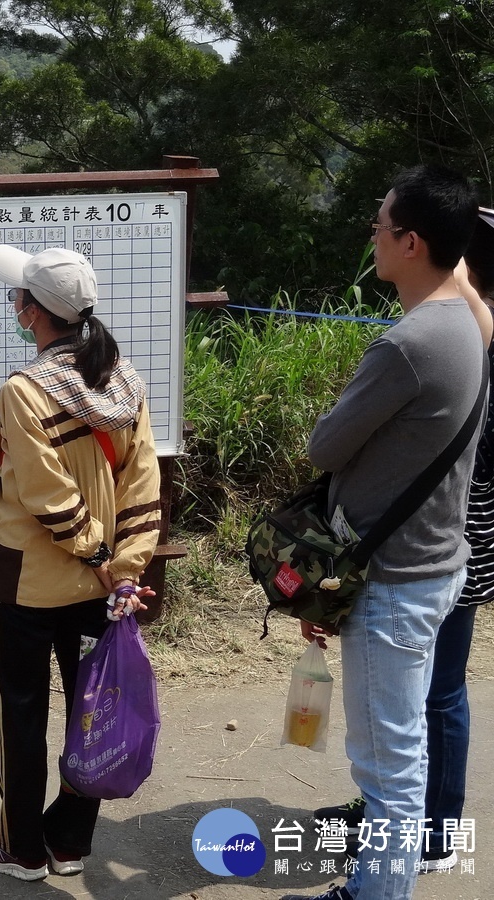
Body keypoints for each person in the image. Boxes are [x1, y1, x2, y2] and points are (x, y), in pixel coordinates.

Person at [282, 165, 485, 900]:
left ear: (409, 242)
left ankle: (375, 894)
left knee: (388, 766)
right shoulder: (465, 321)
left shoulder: (408, 344)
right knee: (403, 749)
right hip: (434, 565)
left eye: (378, 223)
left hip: (395, 582)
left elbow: (323, 445)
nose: (371, 234)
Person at [0, 246, 162, 881]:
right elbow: (143, 483)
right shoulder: (124, 380)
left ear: (32, 314)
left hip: (26, 580)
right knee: (93, 708)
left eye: (19, 295)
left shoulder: (26, 391)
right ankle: (70, 842)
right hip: (103, 590)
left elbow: (46, 496)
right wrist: (122, 567)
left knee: (20, 713)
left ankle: (19, 848)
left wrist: (98, 554)